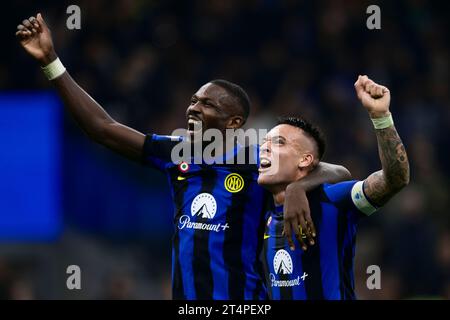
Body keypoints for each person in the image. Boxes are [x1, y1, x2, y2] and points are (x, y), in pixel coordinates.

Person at [15, 13, 350, 299]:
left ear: (234, 122)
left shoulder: (255, 158)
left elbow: (338, 171)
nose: (194, 107)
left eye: (207, 104)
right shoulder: (176, 152)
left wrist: (296, 188)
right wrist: (50, 62)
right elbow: (101, 128)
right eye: (194, 99)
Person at [258, 76, 410, 299]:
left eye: (278, 142)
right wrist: (295, 188)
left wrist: (380, 117)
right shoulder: (256, 204)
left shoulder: (331, 199)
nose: (264, 148)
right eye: (264, 142)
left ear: (305, 160)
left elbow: (395, 179)